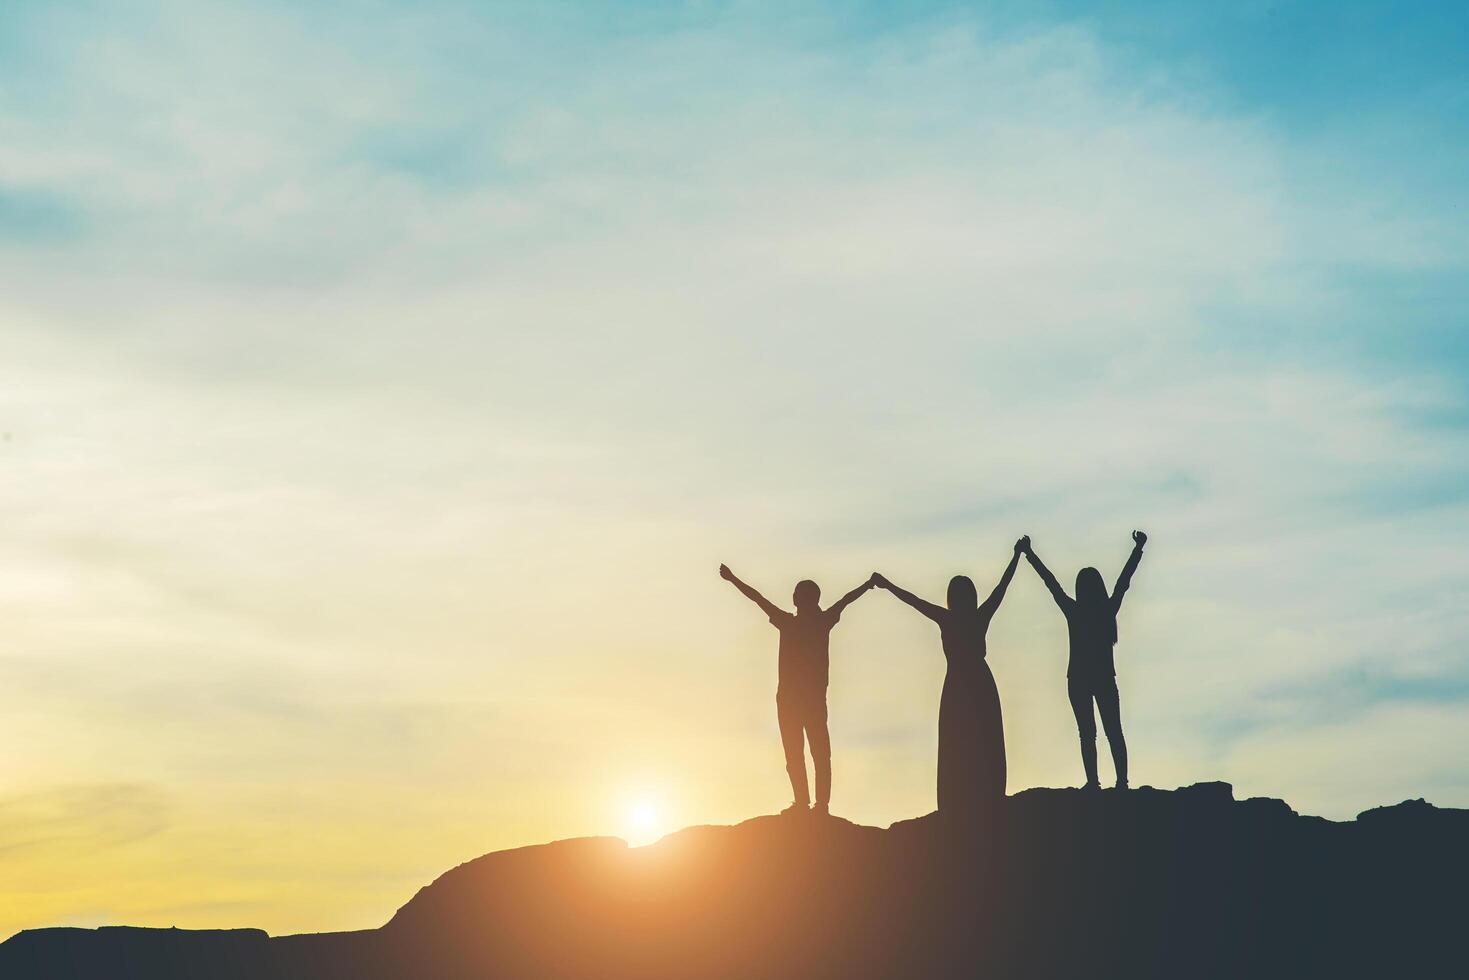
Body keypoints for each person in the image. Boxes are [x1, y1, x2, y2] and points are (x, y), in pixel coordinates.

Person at [872, 538, 1026, 819]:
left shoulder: (951, 618)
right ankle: (977, 796)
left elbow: (914, 600)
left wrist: (887, 585)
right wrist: (1017, 556)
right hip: (972, 683)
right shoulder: (969, 617)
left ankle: (972, 797)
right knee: (971, 738)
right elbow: (1001, 588)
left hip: (964, 685)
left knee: (968, 740)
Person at [719, 565, 876, 816]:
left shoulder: (790, 622)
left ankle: (809, 804)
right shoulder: (820, 621)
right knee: (816, 753)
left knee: (801, 753)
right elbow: (846, 599)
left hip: (794, 700)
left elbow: (757, 598)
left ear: (796, 599)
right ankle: (814, 805)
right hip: (805, 700)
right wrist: (867, 585)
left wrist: (732, 579)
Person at [1022, 531, 1147, 790]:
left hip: (1080, 679)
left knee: (1089, 734)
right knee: (1112, 731)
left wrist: (1030, 554)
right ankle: (1119, 782)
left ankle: (1095, 782)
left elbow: (1051, 583)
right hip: (1097, 678)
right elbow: (1124, 581)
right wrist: (1138, 549)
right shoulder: (1105, 610)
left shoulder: (1075, 611)